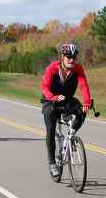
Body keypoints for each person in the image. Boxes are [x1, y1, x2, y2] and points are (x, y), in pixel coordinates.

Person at [40, 43, 91, 177]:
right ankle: (52, 162)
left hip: (67, 100)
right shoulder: (52, 68)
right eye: (68, 57)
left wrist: (86, 101)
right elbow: (44, 87)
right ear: (62, 56)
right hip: (50, 101)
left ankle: (71, 133)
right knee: (50, 129)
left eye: (74, 57)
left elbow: (83, 85)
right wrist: (53, 97)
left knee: (82, 110)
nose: (71, 60)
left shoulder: (78, 69)